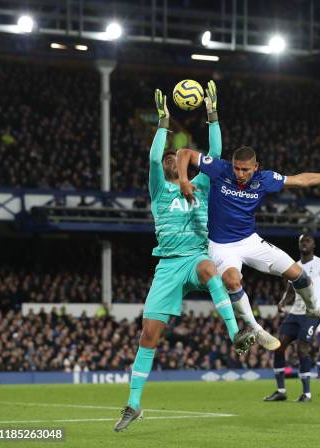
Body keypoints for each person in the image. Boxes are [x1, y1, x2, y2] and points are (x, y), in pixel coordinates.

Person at [114, 83, 254, 432]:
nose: (169, 160)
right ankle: (133, 404)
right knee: (149, 335)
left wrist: (212, 115)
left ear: (183, 163)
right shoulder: (159, 188)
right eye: (166, 159)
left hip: (193, 257)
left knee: (210, 268)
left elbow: (217, 151)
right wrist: (163, 122)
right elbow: (151, 158)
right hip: (167, 266)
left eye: (174, 157)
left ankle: (236, 332)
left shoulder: (204, 185)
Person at [176, 112, 320, 350]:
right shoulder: (220, 170)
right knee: (232, 281)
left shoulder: (265, 179)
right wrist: (183, 179)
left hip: (250, 241)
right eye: (237, 168)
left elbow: (302, 180)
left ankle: (313, 308)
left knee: (299, 274)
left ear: (256, 167)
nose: (240, 173)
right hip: (221, 245)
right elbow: (184, 153)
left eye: (245, 169)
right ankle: (255, 329)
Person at [264, 234, 320, 402]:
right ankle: (281, 391)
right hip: (294, 313)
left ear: (313, 245)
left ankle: (307, 393)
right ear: (299, 245)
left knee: (302, 349)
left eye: (307, 241)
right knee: (278, 347)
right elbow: (291, 290)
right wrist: (283, 301)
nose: (304, 243)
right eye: (302, 241)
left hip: (312, 313)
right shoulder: (294, 266)